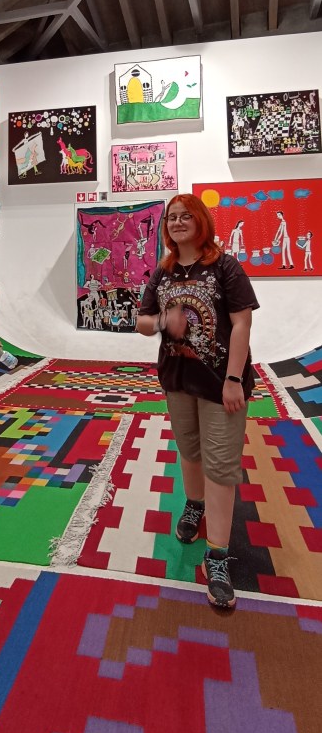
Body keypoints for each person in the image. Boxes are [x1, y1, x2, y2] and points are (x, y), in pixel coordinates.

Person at [137, 194, 259, 609]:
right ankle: (194, 505)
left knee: (221, 466)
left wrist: (233, 379)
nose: (176, 222)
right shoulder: (164, 270)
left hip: (221, 384)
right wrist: (162, 322)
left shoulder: (225, 266)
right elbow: (142, 322)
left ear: (201, 221)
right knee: (190, 451)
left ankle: (218, 556)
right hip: (177, 380)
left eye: (185, 216)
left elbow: (242, 324)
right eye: (171, 218)